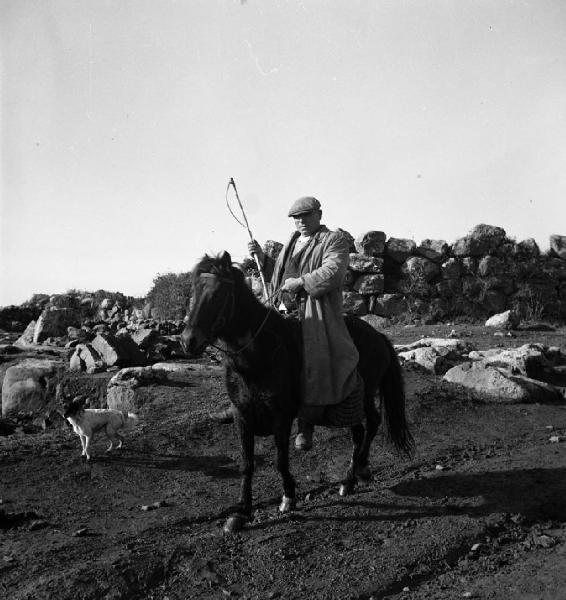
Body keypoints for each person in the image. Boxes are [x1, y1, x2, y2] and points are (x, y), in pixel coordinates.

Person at [247, 196, 361, 451]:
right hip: (281, 310)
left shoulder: (334, 240)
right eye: (296, 218)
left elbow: (333, 272)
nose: (301, 221)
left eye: (306, 216)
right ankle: (244, 404)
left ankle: (306, 423)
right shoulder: (292, 241)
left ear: (319, 215)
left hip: (314, 312)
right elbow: (279, 274)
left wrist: (301, 282)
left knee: (313, 361)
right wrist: (262, 259)